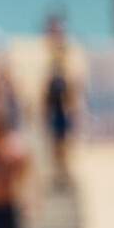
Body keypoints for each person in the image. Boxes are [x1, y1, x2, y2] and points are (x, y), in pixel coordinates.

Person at [41, 12, 80, 186]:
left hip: (62, 114)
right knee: (55, 147)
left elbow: (71, 96)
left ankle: (63, 174)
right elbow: (46, 98)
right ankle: (58, 174)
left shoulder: (64, 74)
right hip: (56, 114)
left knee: (63, 147)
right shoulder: (52, 74)